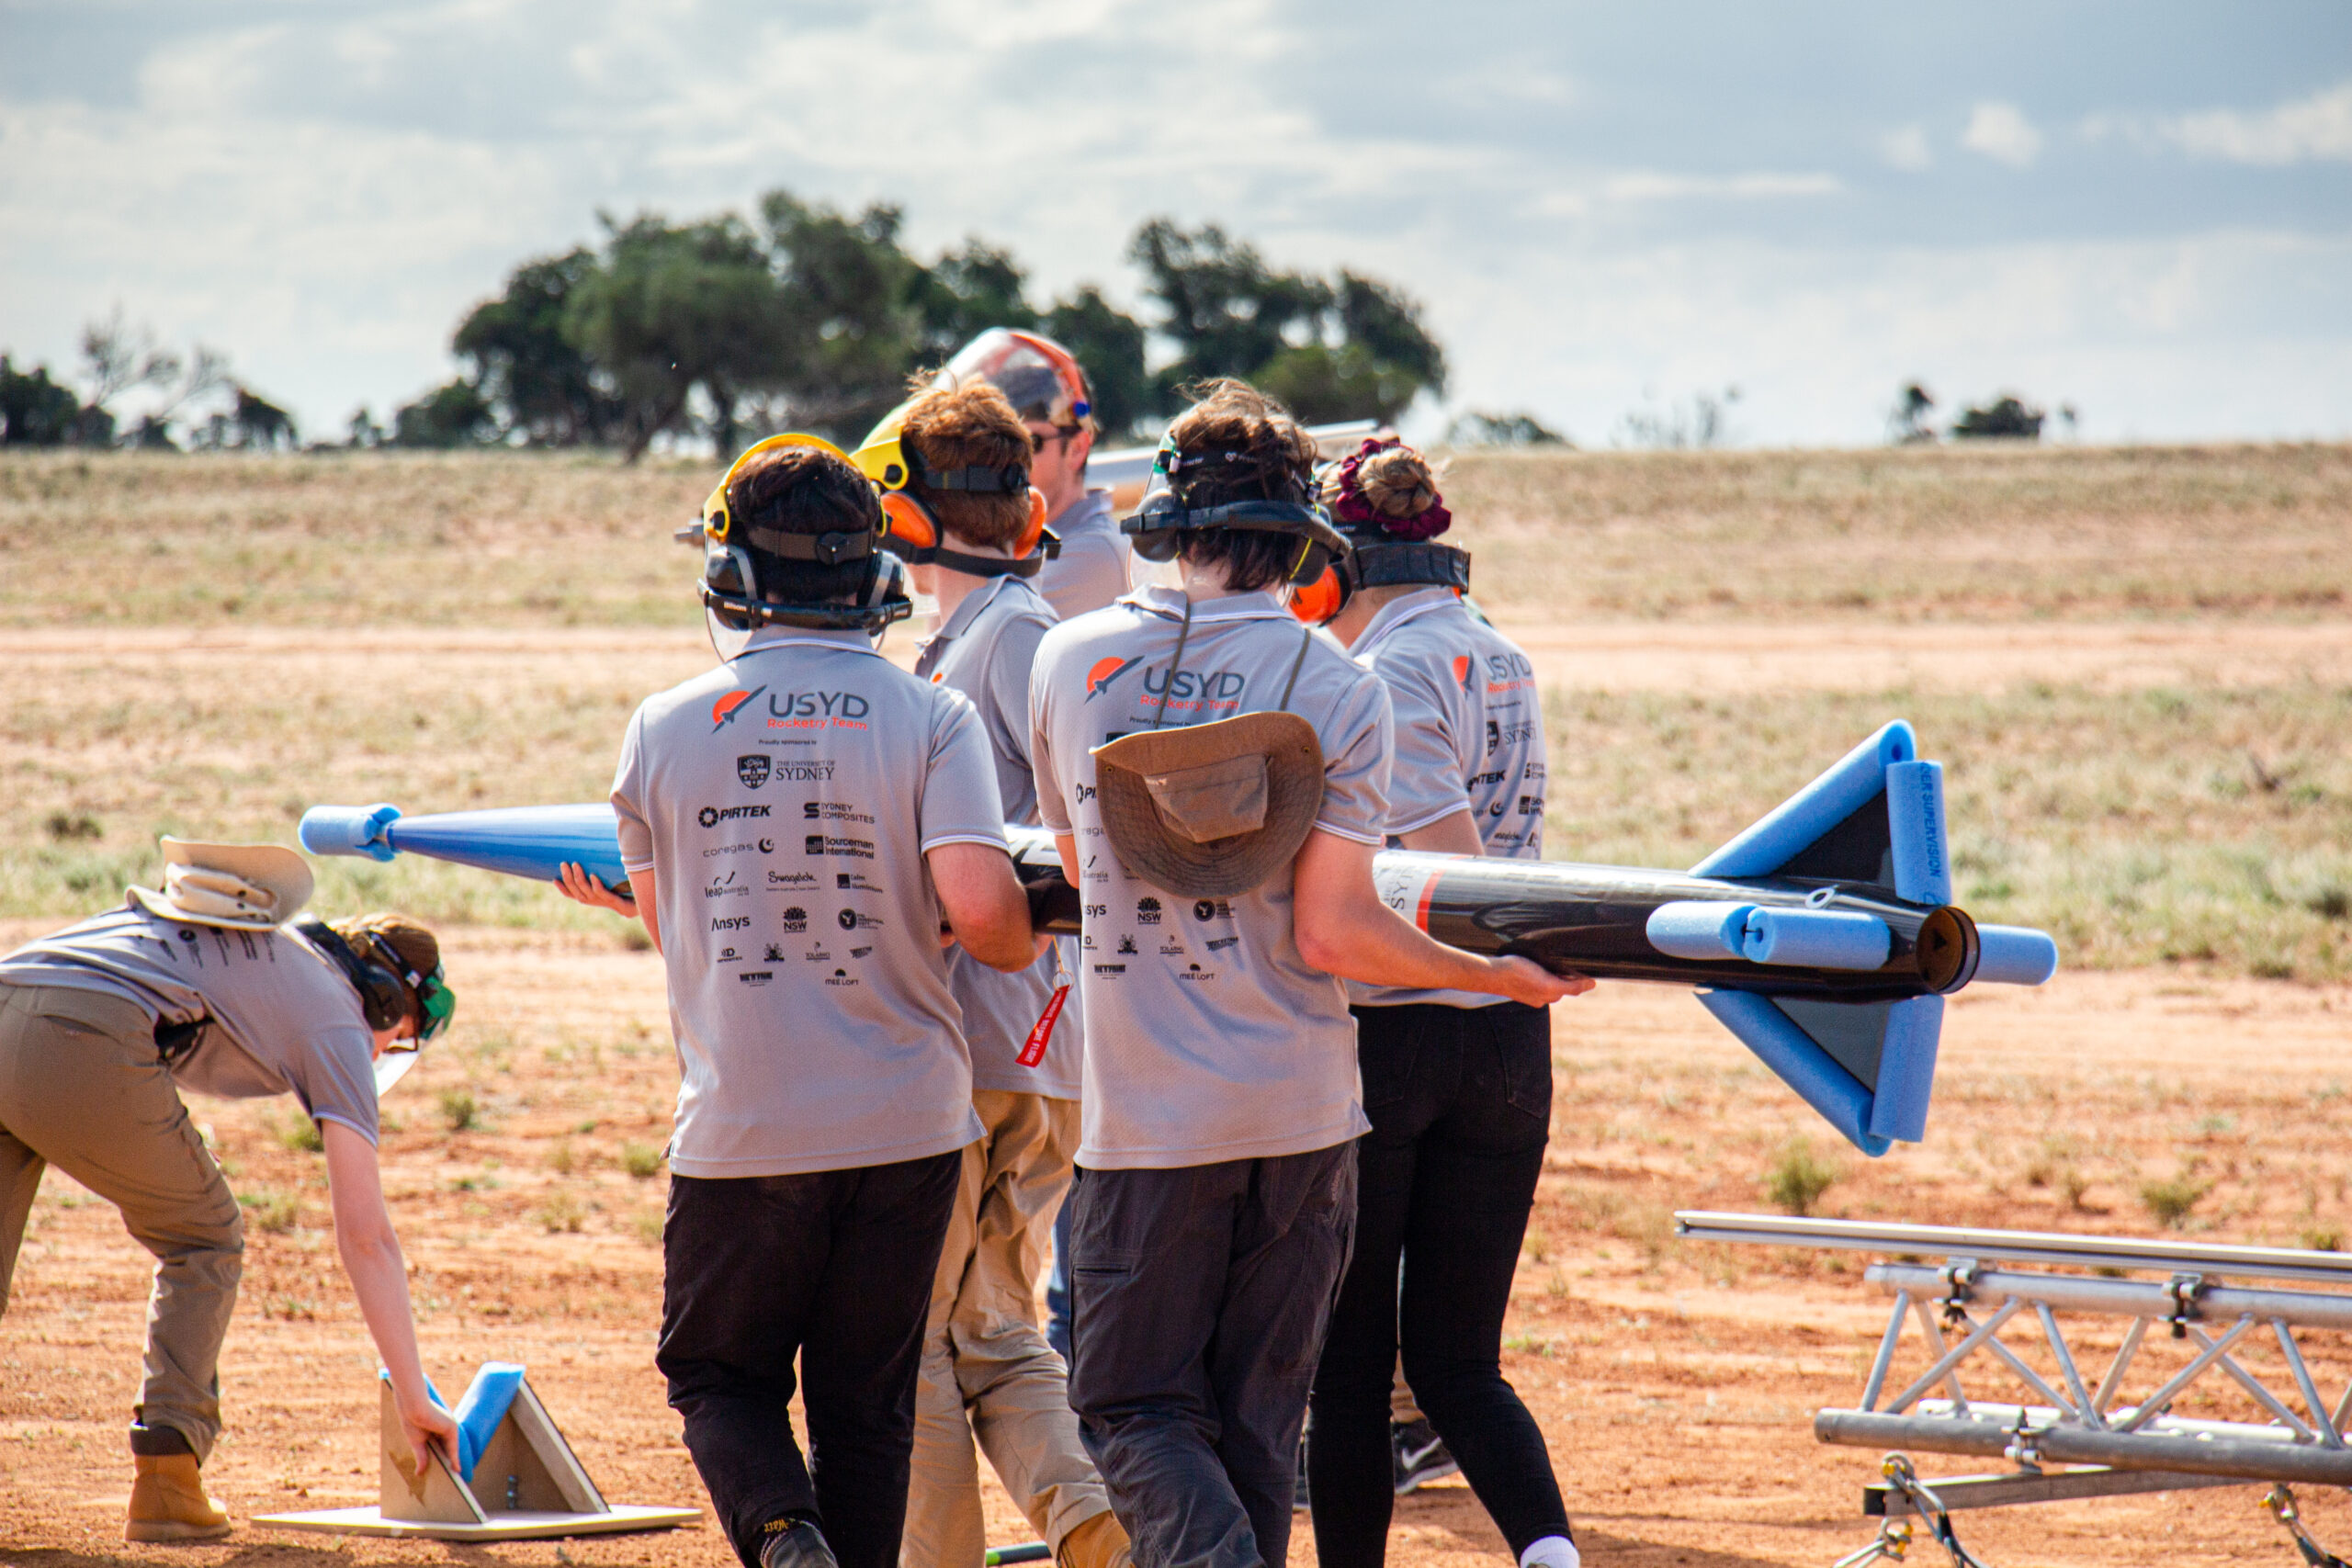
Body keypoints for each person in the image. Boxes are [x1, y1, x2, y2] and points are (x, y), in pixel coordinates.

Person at [1027, 380, 1589, 1568]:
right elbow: (1337, 932)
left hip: (1147, 1115)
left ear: (1167, 518)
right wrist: (1497, 979)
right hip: (1302, 1112)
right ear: (1301, 536)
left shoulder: (1069, 658)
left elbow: (1084, 870)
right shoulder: (1342, 683)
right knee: (1253, 1428)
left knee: (1127, 1403)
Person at [557, 434, 1042, 1568]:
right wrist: (1034, 919)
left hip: (746, 1123)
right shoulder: (933, 717)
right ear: (873, 571)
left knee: (718, 1377)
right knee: (865, 1409)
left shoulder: (661, 725)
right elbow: (981, 917)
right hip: (908, 1125)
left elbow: (692, 918)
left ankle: (781, 1536)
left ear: (735, 578)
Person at [850, 380, 1128, 1568]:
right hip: (1042, 1046)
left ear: (908, 514)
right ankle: (1101, 1529)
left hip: (976, 1044)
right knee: (999, 1330)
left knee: (911, 1338)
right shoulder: (991, 633)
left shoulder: (1010, 640)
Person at [0, 838, 458, 1542]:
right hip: (86, 1027)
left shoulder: (274, 954)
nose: (381, 1053)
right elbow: (366, 1236)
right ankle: (168, 1479)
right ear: (385, 996)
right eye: (397, 1036)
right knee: (204, 1235)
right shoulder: (338, 1017)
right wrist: (411, 1389)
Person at [1299, 440, 1581, 1568]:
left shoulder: (1382, 673)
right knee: (1463, 1363)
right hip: (1512, 1037)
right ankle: (1552, 1555)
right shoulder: (1498, 652)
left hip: (1401, 1026)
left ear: (1332, 564)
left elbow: (1447, 879)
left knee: (1352, 1369)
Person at [932, 327, 1128, 1367]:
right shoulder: (995, 613)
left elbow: (1069, 805)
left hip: (1017, 1013)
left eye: (1041, 433)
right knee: (988, 1332)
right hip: (1006, 1017)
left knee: (980, 1334)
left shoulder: (1059, 585)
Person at [934, 329, 1131, 622]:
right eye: (994, 446)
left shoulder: (1091, 553)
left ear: (1077, 449)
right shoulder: (1028, 547)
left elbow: (959, 631)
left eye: (1028, 444)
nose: (1004, 461)